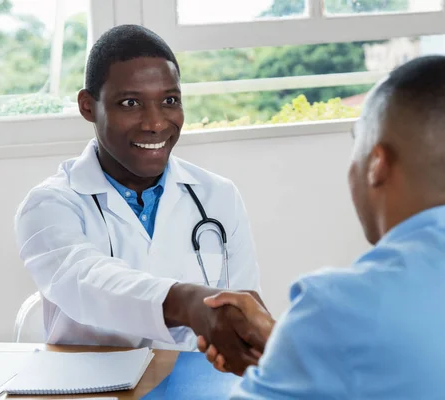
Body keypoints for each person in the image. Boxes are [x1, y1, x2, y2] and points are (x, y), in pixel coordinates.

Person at [200, 56, 445, 398]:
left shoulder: (335, 307)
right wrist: (289, 352)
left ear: (377, 164)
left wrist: (286, 360)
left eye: (356, 144)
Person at [14, 24, 263, 374]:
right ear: (88, 106)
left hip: (196, 383)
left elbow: (243, 308)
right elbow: (86, 279)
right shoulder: (49, 205)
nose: (156, 123)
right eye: (130, 103)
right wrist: (190, 304)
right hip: (90, 388)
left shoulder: (218, 195)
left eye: (170, 101)